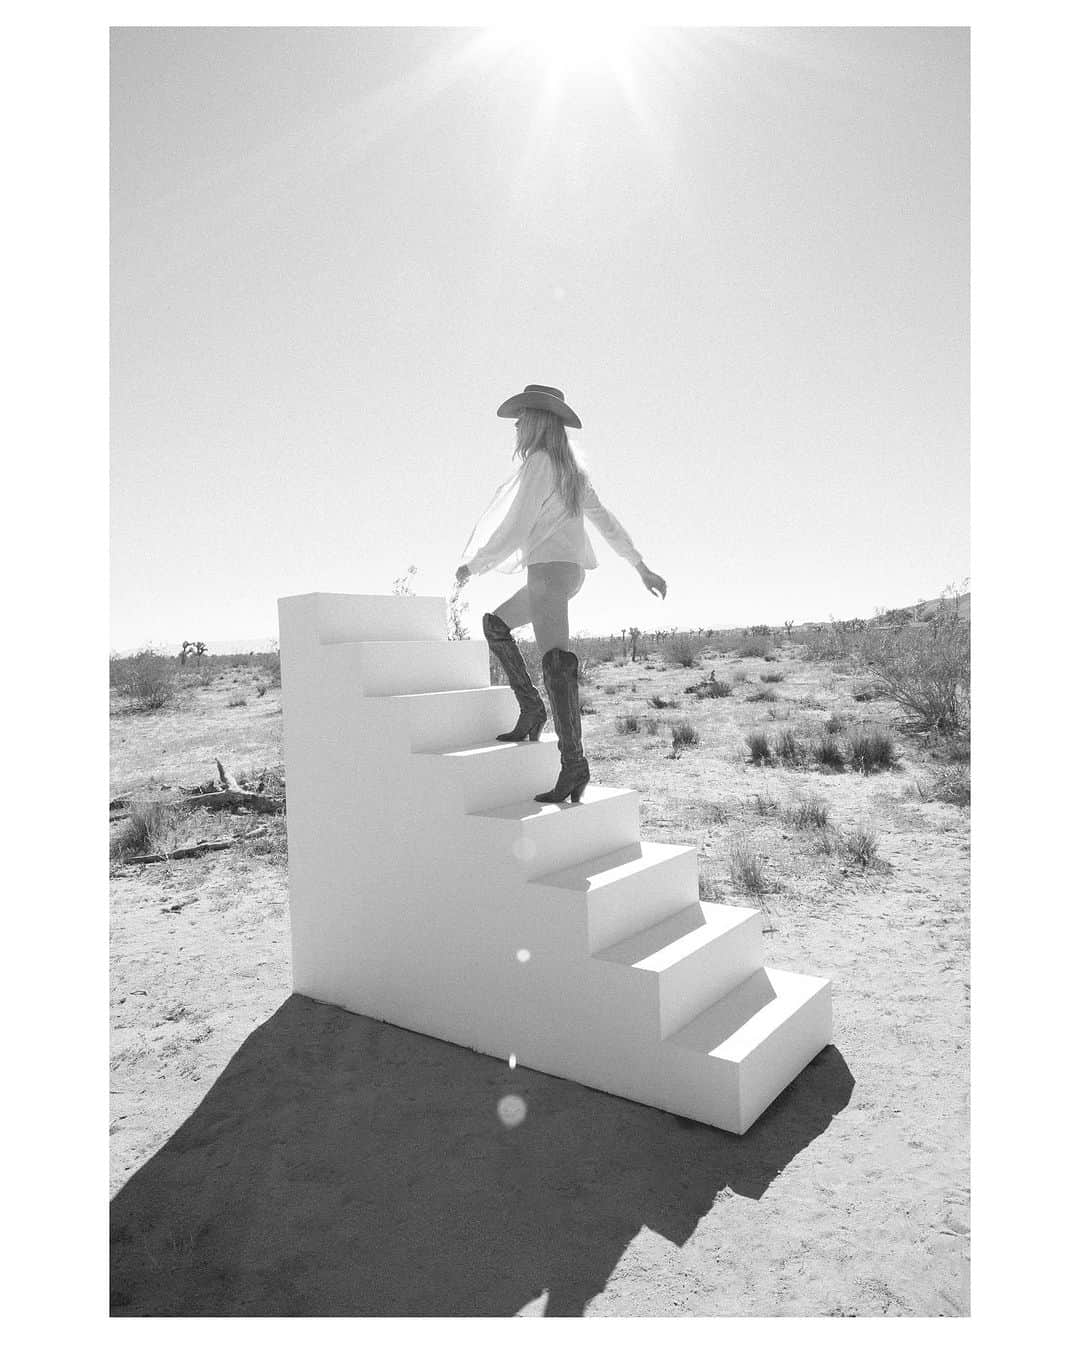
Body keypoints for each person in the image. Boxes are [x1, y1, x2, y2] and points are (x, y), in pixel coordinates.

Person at [455, 383, 667, 805]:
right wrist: (639, 564)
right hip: (565, 574)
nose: (515, 426)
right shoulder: (570, 469)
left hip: (549, 573)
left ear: (535, 422)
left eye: (520, 419)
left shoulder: (539, 463)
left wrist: (473, 564)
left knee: (556, 664)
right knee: (495, 625)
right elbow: (606, 522)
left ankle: (574, 764)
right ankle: (532, 710)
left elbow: (516, 526)